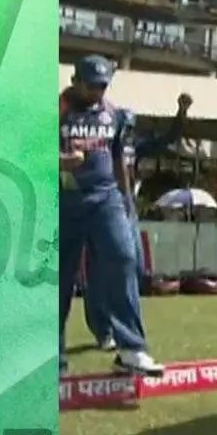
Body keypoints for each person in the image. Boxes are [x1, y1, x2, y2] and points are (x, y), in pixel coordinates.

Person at [58, 55, 165, 377]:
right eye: (92, 86)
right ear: (76, 81)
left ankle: (131, 349)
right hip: (64, 202)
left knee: (123, 258)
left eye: (103, 86)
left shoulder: (112, 114)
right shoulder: (56, 110)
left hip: (107, 198)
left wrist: (126, 200)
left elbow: (119, 157)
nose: (97, 92)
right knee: (60, 279)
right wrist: (61, 161)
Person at [84, 91, 193, 351]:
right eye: (126, 129)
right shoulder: (99, 142)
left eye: (132, 130)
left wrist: (181, 113)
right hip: (102, 207)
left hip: (127, 208)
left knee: (134, 267)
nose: (129, 135)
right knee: (100, 269)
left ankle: (125, 328)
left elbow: (168, 139)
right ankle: (103, 330)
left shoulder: (134, 147)